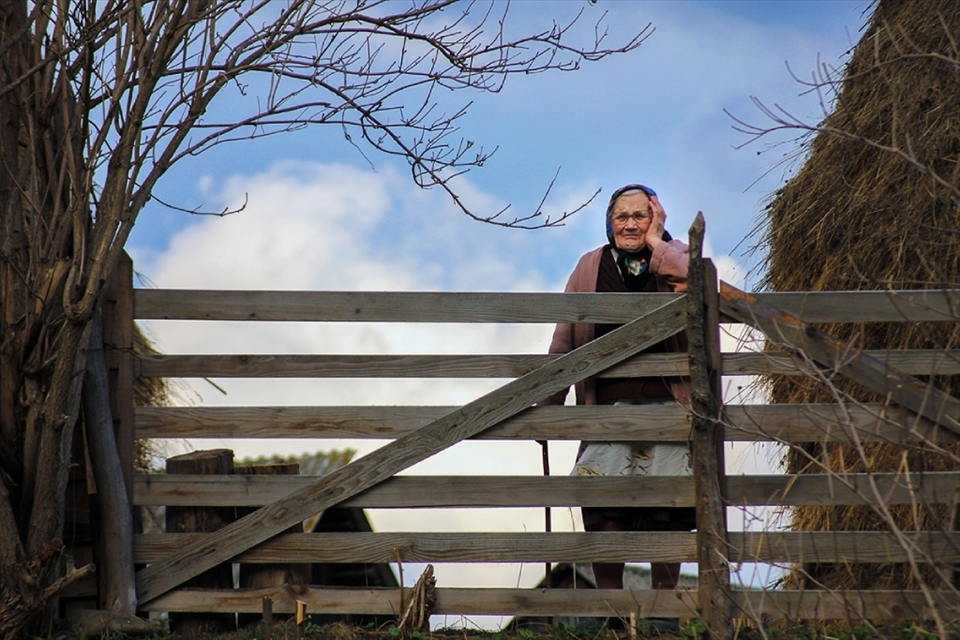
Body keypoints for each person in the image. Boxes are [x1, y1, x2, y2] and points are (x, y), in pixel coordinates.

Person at [540, 183, 694, 595]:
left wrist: (658, 241)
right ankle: (611, 610)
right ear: (609, 222)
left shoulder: (673, 255)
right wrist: (549, 403)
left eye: (640, 215)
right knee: (604, 506)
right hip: (605, 410)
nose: (630, 224)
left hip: (667, 408)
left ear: (656, 219)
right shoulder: (589, 266)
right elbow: (564, 337)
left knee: (670, 509)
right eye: (621, 216)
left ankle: (666, 609)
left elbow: (694, 280)